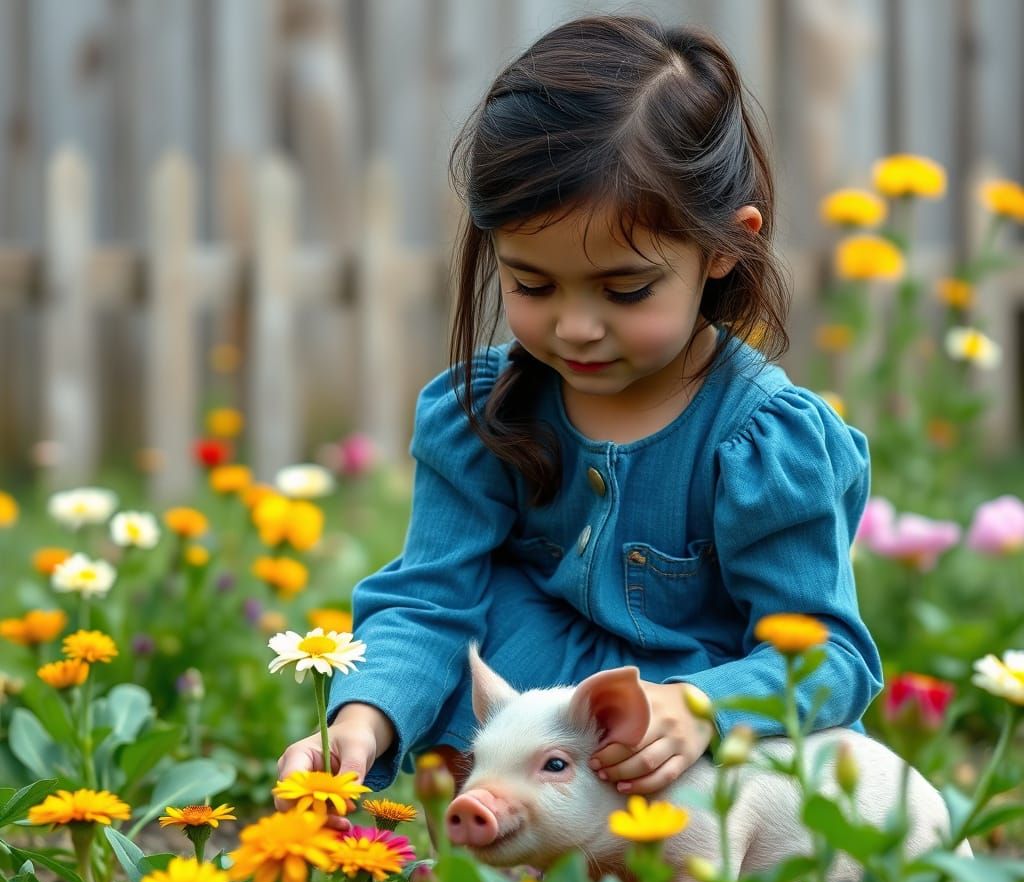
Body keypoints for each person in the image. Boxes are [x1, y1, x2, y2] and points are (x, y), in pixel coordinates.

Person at [276, 14, 883, 823]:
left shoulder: (766, 442)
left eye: (625, 290)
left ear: (724, 249)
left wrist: (696, 709)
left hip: (680, 766)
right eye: (532, 285)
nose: (576, 327)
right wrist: (363, 718)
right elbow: (429, 600)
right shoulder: (485, 412)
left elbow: (828, 657)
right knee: (455, 634)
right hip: (521, 744)